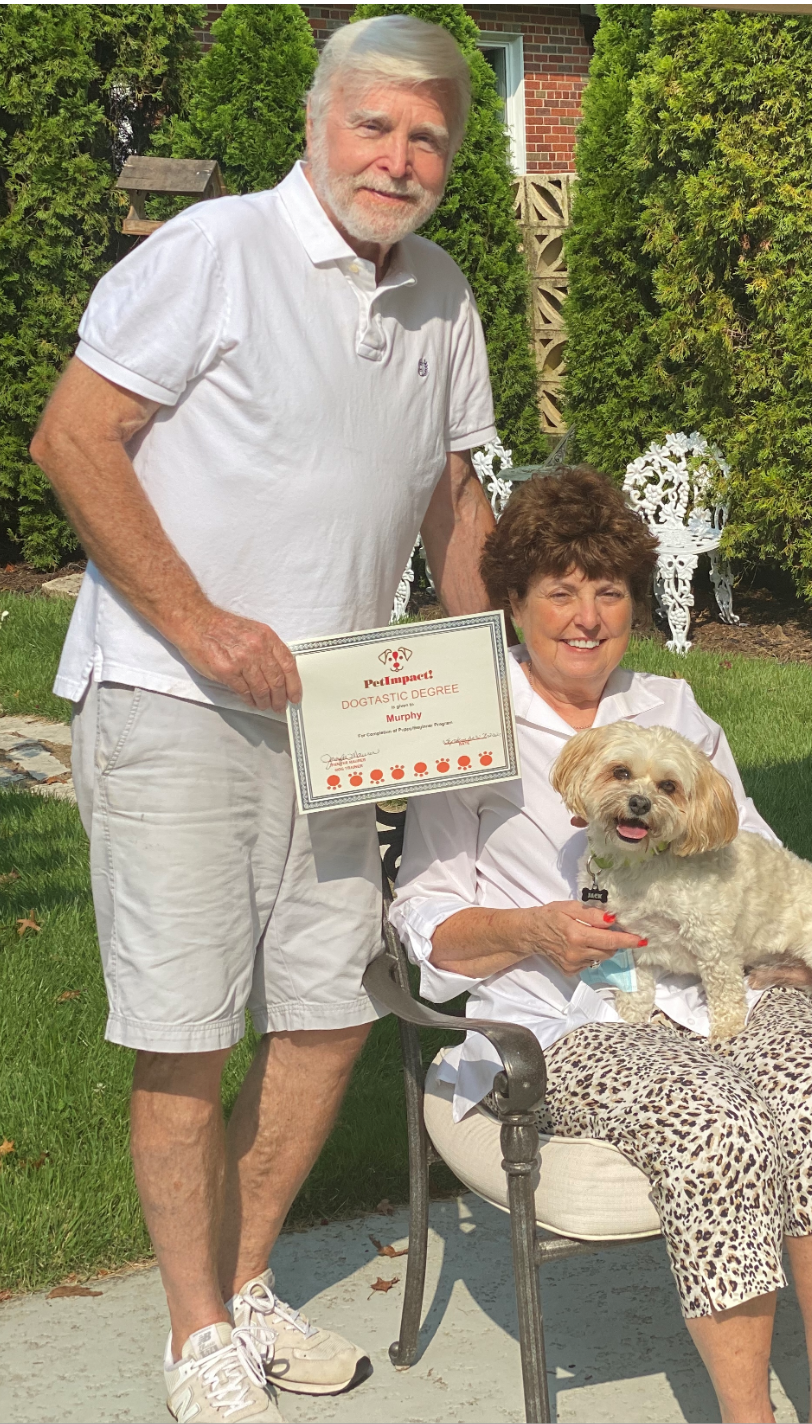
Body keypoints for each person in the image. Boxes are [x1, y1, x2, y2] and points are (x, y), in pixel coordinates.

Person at [30, 16, 498, 1422]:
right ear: (318, 123)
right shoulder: (212, 251)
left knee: (325, 1012)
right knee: (185, 1027)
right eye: (376, 126)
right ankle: (192, 1337)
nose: (399, 158)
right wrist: (201, 624)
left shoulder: (443, 294)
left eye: (426, 137)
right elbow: (72, 437)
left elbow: (454, 503)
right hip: (176, 699)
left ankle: (241, 1291)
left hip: (346, 721)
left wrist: (493, 678)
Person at [391, 468, 812, 1424]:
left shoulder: (672, 706)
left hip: (712, 983)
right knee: (713, 1123)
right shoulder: (463, 717)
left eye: (609, 591)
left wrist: (787, 944)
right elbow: (425, 917)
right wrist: (532, 929)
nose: (586, 616)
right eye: (561, 591)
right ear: (514, 603)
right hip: (565, 1013)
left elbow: (753, 845)